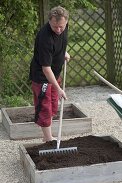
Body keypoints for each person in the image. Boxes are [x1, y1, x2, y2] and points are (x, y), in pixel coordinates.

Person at [29, 6, 70, 142]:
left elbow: (59, 43)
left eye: (61, 27)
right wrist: (59, 89)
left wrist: (62, 52)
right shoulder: (44, 37)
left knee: (53, 105)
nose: (58, 30)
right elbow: (46, 68)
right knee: (45, 107)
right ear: (49, 22)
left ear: (66, 22)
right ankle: (48, 139)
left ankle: (48, 135)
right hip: (42, 77)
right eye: (54, 27)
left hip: (55, 74)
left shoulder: (64, 27)